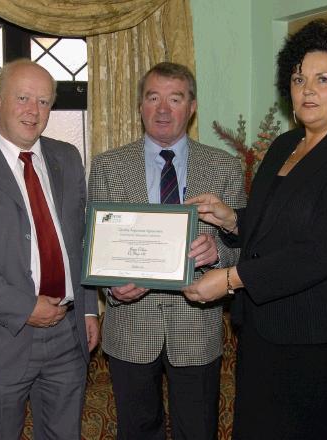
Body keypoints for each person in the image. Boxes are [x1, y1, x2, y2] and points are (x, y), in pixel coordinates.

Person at [182, 20, 327, 440]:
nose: (308, 90)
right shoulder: (284, 146)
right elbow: (277, 226)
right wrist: (232, 219)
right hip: (267, 329)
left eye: (323, 79)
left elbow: (321, 251)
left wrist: (228, 279)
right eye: (299, 79)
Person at [0, 59, 99, 440]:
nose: (33, 111)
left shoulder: (67, 158)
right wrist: (25, 308)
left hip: (67, 332)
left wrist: (90, 308)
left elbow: (82, 240)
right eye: (23, 98)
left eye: (44, 102)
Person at [88, 61, 246, 439]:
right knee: (138, 431)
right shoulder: (108, 166)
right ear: (140, 105)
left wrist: (218, 253)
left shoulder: (224, 167)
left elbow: (245, 246)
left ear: (191, 107)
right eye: (152, 97)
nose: (162, 109)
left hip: (196, 328)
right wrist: (111, 287)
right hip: (130, 327)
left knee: (198, 431)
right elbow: (93, 244)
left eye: (174, 99)